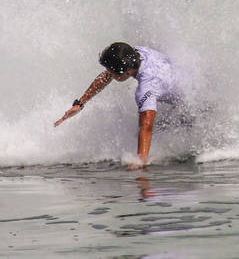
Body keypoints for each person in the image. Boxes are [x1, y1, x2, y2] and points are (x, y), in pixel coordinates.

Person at [54, 42, 185, 169]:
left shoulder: (146, 87)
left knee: (143, 133)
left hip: (189, 106)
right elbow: (107, 75)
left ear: (126, 72)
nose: (108, 74)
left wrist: (140, 160)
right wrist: (80, 103)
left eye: (111, 73)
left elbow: (146, 126)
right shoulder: (136, 53)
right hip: (189, 82)